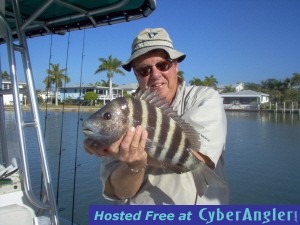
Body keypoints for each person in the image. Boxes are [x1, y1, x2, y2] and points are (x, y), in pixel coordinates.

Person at [84, 28, 229, 204]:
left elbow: (199, 157)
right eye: (144, 70)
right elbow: (120, 192)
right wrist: (134, 165)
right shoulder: (122, 114)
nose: (155, 75)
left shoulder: (203, 98)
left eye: (163, 65)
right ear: (136, 74)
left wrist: (114, 152)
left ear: (176, 65)